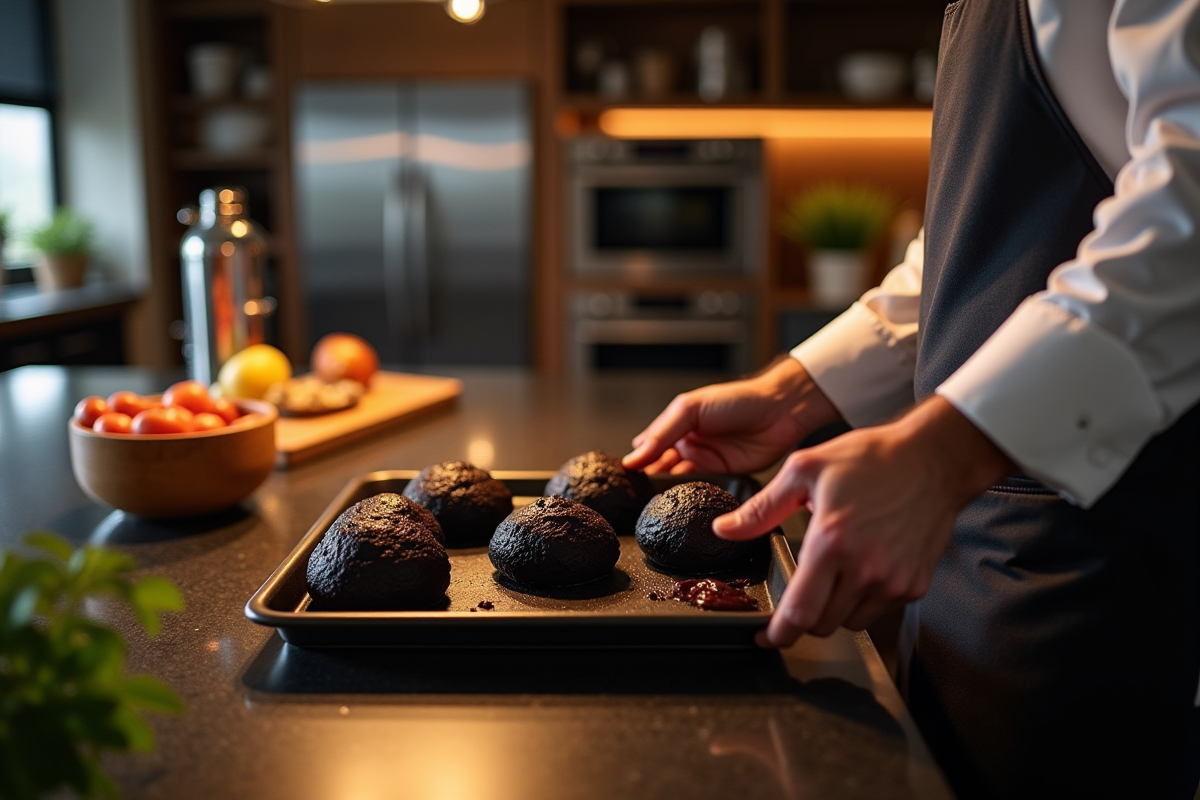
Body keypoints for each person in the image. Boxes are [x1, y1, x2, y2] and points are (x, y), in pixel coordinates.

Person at [622, 1, 1200, 798]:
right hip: (966, 558)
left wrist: (946, 451)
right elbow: (983, 237)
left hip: (1109, 551)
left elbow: (1188, 216)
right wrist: (798, 391)